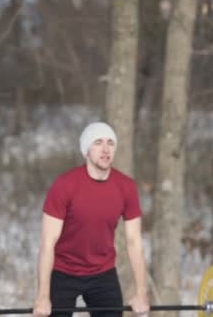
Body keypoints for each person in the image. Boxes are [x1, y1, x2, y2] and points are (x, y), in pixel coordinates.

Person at [33, 122, 150, 317]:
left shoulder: (126, 187)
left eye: (110, 143)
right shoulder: (65, 185)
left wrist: (140, 293)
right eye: (98, 142)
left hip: (102, 272)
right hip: (63, 271)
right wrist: (43, 296)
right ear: (86, 149)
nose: (105, 149)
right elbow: (47, 243)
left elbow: (134, 242)